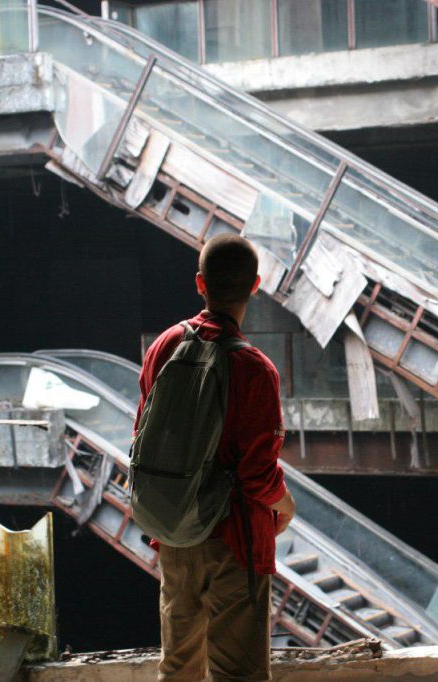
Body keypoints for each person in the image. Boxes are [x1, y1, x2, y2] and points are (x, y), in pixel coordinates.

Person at [135, 233, 296, 681]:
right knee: (237, 674)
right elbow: (257, 476)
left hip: (176, 535)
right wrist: (287, 506)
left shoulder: (163, 347)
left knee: (179, 668)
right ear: (256, 285)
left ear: (200, 284)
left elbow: (141, 436)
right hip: (236, 541)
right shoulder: (256, 370)